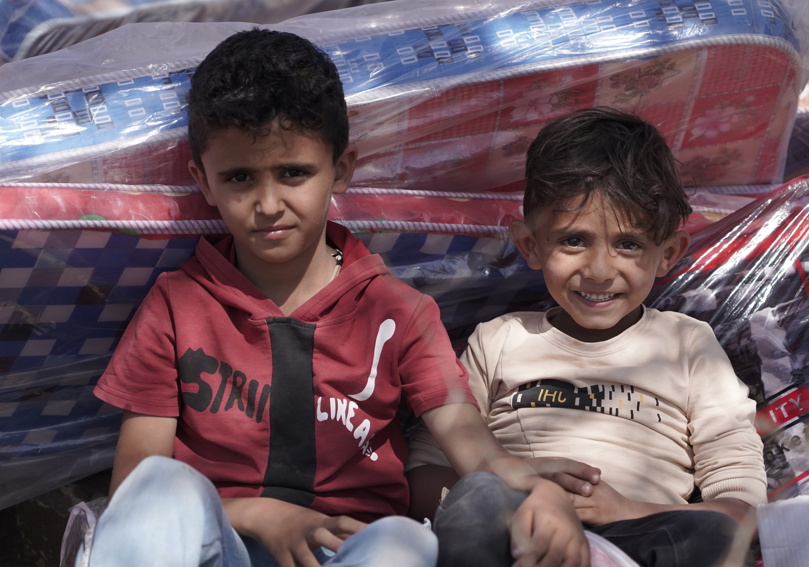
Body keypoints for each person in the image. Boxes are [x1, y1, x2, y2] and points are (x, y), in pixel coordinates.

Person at [79, 28, 589, 567]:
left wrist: (540, 491)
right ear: (202, 181)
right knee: (162, 484)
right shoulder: (177, 306)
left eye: (293, 173)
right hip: (220, 544)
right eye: (240, 178)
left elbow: (470, 442)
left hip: (349, 549)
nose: (268, 203)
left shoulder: (399, 313)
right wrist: (258, 515)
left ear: (341, 169)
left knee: (406, 542)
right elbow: (133, 488)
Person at [408, 107, 768, 567]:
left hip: (637, 540)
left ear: (669, 253)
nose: (599, 271)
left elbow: (742, 508)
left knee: (713, 534)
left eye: (629, 244)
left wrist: (629, 511)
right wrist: (519, 485)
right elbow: (420, 475)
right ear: (531, 245)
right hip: (518, 534)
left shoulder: (688, 345)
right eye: (574, 241)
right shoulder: (499, 339)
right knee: (478, 496)